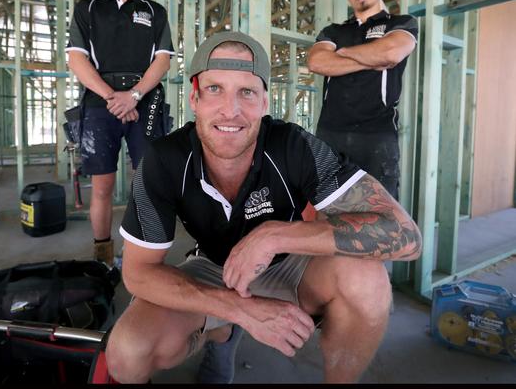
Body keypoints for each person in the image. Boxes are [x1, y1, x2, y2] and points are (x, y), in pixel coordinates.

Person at [104, 31, 422, 383]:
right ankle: (220, 333)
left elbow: (405, 235)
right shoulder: (162, 161)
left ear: (265, 102)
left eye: (247, 92)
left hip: (292, 267)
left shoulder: (296, 146)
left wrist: (275, 236)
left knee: (368, 278)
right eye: (214, 89)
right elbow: (138, 274)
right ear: (193, 97)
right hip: (214, 267)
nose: (231, 109)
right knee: (127, 354)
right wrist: (241, 309)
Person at [66, 0, 175, 266]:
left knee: (148, 182)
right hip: (101, 102)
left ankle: (141, 253)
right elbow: (76, 59)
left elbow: (163, 59)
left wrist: (136, 95)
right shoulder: (88, 10)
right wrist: (115, 98)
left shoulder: (154, 11)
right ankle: (102, 255)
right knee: (102, 186)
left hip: (146, 100)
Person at [307, 0, 418, 200]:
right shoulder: (334, 31)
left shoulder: (400, 23)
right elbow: (317, 62)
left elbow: (391, 53)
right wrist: (372, 57)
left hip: (376, 134)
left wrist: (342, 53)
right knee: (328, 205)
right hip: (330, 134)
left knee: (380, 211)